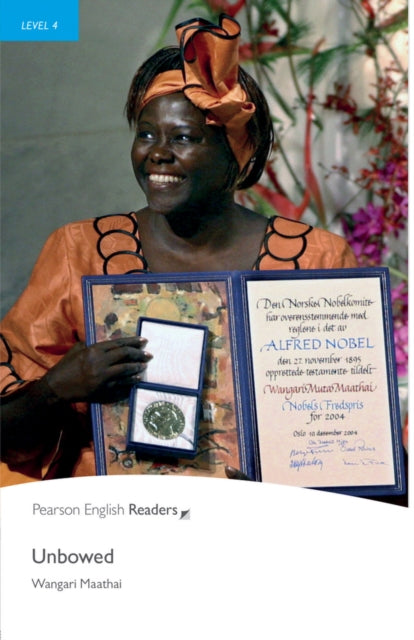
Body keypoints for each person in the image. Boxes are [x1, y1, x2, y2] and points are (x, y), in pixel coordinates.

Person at [0, 15, 357, 486]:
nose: (157, 152)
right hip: (110, 515)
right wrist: (56, 389)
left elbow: (349, 428)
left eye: (184, 137)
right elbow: (9, 436)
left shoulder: (315, 260)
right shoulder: (79, 252)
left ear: (236, 152)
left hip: (262, 519)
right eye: (147, 134)